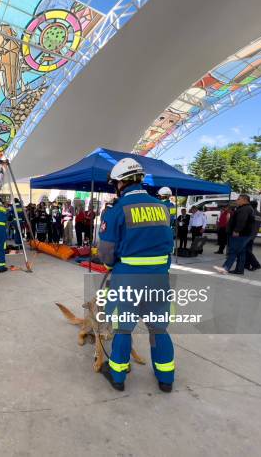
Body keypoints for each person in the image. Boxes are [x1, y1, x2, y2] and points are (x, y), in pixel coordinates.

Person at [99, 157, 175, 393]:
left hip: (128, 280)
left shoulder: (115, 211)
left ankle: (118, 377)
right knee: (158, 329)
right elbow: (167, 246)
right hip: (159, 279)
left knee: (123, 328)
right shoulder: (162, 208)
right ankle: (166, 379)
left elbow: (107, 252)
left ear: (120, 184)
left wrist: (112, 265)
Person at [214, 194, 254, 275]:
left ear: (244, 200)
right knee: (241, 252)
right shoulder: (245, 208)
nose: (237, 200)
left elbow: (241, 221)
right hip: (244, 234)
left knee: (233, 251)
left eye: (238, 199)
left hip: (240, 234)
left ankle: (225, 268)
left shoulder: (245, 209)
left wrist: (236, 230)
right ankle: (239, 270)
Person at [244, 200, 261, 270]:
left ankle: (256, 264)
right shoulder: (259, 214)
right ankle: (246, 264)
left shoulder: (251, 213)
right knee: (248, 250)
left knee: (247, 250)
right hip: (253, 234)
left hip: (248, 234)